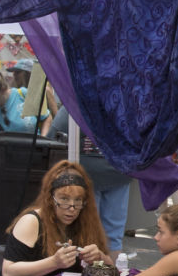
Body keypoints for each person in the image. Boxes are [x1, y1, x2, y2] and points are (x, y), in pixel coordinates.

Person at [47, 106, 133, 255]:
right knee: (114, 234)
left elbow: (53, 136)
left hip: (85, 175)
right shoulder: (126, 103)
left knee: (86, 230)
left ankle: (86, 275)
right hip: (121, 171)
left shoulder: (75, 103)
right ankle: (110, 275)